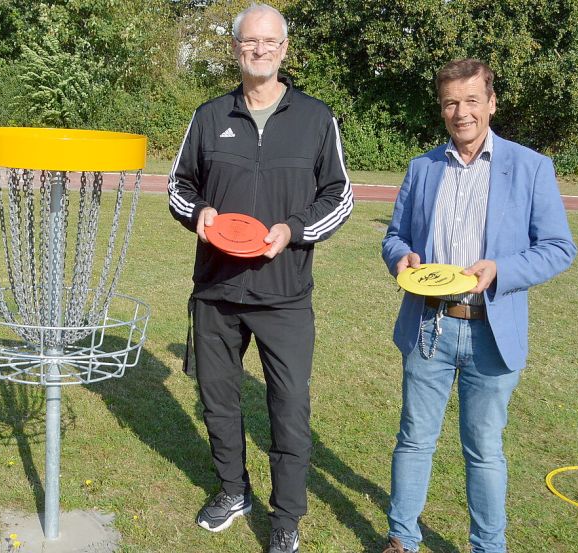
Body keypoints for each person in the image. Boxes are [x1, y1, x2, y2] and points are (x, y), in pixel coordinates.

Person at [168, 4, 353, 552]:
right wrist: (196, 213)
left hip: (284, 296)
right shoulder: (208, 116)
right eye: (250, 41)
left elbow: (338, 197)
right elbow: (182, 185)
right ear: (236, 48)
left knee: (289, 409)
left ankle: (287, 518)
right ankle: (232, 490)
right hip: (218, 290)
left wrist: (293, 230)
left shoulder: (316, 119)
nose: (260, 50)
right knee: (218, 400)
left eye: (270, 41)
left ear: (284, 49)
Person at [380, 58, 577, 553]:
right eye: (450, 102)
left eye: (471, 100)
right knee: (414, 439)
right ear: (441, 108)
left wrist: (502, 271)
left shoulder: (531, 167)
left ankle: (488, 547)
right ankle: (402, 538)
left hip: (492, 329)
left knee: (484, 450)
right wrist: (400, 257)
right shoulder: (422, 167)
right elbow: (394, 236)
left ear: (491, 103)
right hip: (430, 326)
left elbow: (558, 247)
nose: (461, 112)